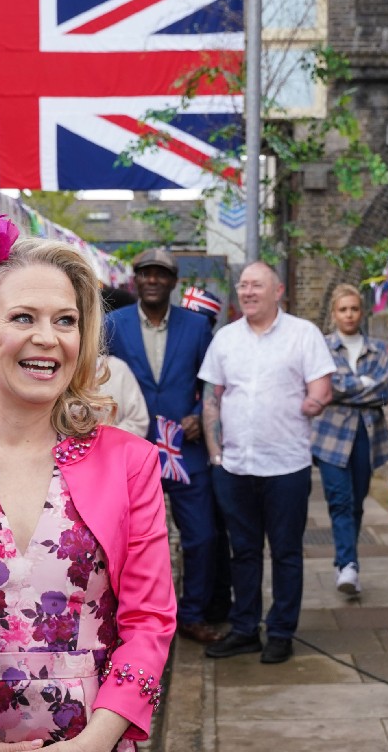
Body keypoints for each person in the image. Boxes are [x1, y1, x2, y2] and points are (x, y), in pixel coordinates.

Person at [0, 237, 175, 750]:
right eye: (23, 318)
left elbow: (149, 622)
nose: (48, 338)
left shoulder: (129, 463)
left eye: (65, 320)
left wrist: (95, 741)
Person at [198, 262, 335, 665]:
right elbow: (212, 398)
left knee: (287, 552)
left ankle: (280, 631)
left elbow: (322, 386)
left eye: (256, 285)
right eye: (242, 285)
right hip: (235, 466)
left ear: (278, 291)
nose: (247, 291)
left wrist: (316, 400)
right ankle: (244, 630)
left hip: (286, 466)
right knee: (243, 552)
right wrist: (215, 454)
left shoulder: (303, 335)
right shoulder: (225, 339)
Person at [106, 249, 227, 644]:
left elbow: (212, 383)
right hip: (132, 454)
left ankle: (192, 614)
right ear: (135, 280)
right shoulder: (113, 325)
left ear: (174, 282)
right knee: (133, 542)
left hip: (187, 451)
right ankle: (137, 621)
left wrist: (198, 412)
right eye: (145, 273)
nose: (153, 280)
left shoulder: (196, 326)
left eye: (161, 274)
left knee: (202, 536)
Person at [311, 284, 388, 596]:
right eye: (343, 309)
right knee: (339, 499)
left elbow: (383, 390)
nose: (349, 314)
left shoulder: (379, 350)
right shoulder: (323, 348)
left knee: (357, 501)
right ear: (334, 314)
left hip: (367, 435)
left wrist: (346, 388)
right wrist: (362, 385)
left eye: (354, 309)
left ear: (362, 312)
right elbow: (327, 387)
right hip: (331, 436)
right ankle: (349, 566)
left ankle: (345, 561)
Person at [97, 353, 150, 437]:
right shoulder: (69, 372)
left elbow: (138, 423)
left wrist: (103, 438)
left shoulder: (117, 368)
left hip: (116, 447)